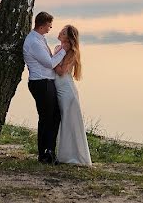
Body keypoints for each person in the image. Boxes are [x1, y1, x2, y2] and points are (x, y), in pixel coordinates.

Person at [22, 11, 67, 164]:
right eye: (49, 25)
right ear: (42, 26)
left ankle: (49, 151)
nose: (50, 28)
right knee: (47, 118)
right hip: (41, 83)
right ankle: (44, 154)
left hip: (47, 82)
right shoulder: (34, 42)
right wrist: (64, 52)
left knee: (54, 116)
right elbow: (49, 63)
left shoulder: (40, 39)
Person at [53, 25, 92, 166]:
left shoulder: (72, 52)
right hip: (58, 88)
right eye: (61, 31)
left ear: (69, 38)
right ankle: (62, 154)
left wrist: (49, 62)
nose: (59, 33)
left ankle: (74, 157)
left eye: (63, 33)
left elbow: (61, 71)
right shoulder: (58, 48)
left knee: (70, 122)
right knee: (62, 122)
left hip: (66, 90)